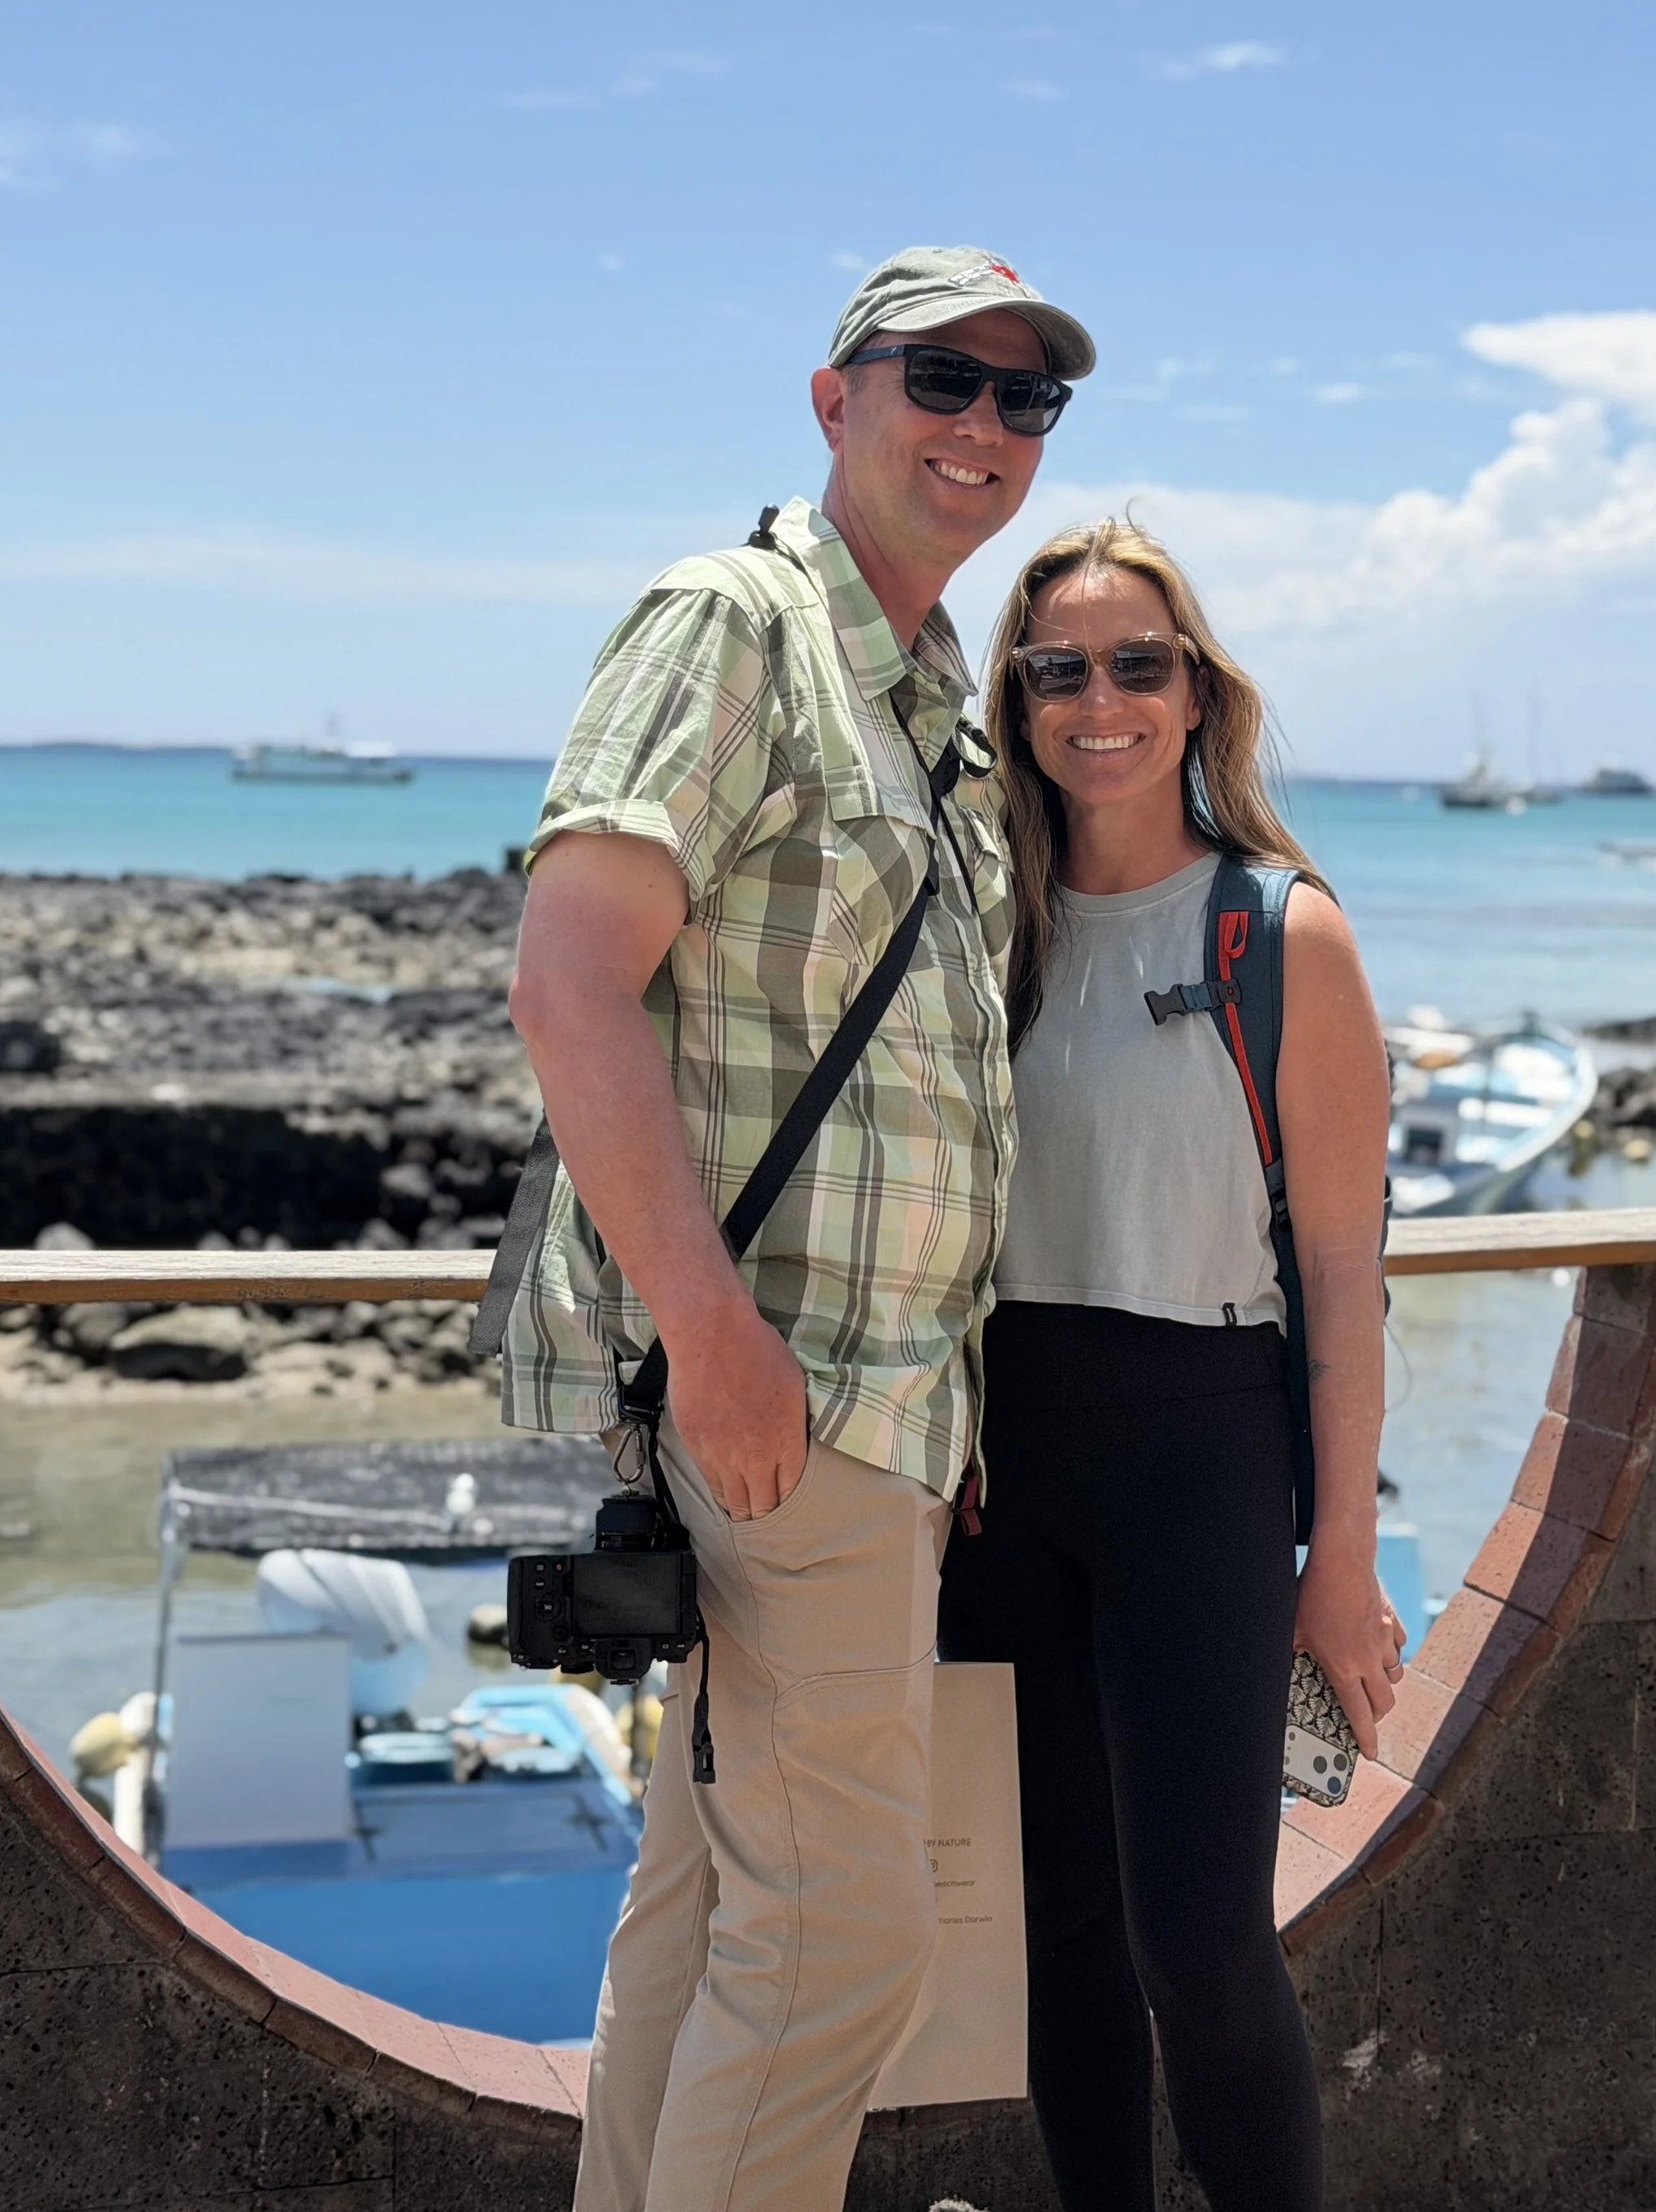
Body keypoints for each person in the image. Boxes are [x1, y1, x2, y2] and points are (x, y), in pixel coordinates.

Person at [501, 247, 1096, 2212]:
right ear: (832, 398)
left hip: (871, 1407)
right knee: (841, 1940)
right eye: (943, 379)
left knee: (708, 1922)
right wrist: (723, 1337)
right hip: (783, 1389)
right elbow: (571, 981)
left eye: (1026, 402)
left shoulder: (918, 679)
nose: (985, 429)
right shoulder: (736, 621)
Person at [937, 516, 1402, 2212]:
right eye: (1056, 667)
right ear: (1014, 699)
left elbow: (1345, 1276)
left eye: (1139, 662)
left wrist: (1333, 1557)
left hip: (1199, 1458)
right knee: (1056, 1932)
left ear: (1197, 693)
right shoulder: (980, 923)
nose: (1099, 699)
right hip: (1001, 1465)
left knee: (1197, 1943)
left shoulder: (1279, 931)